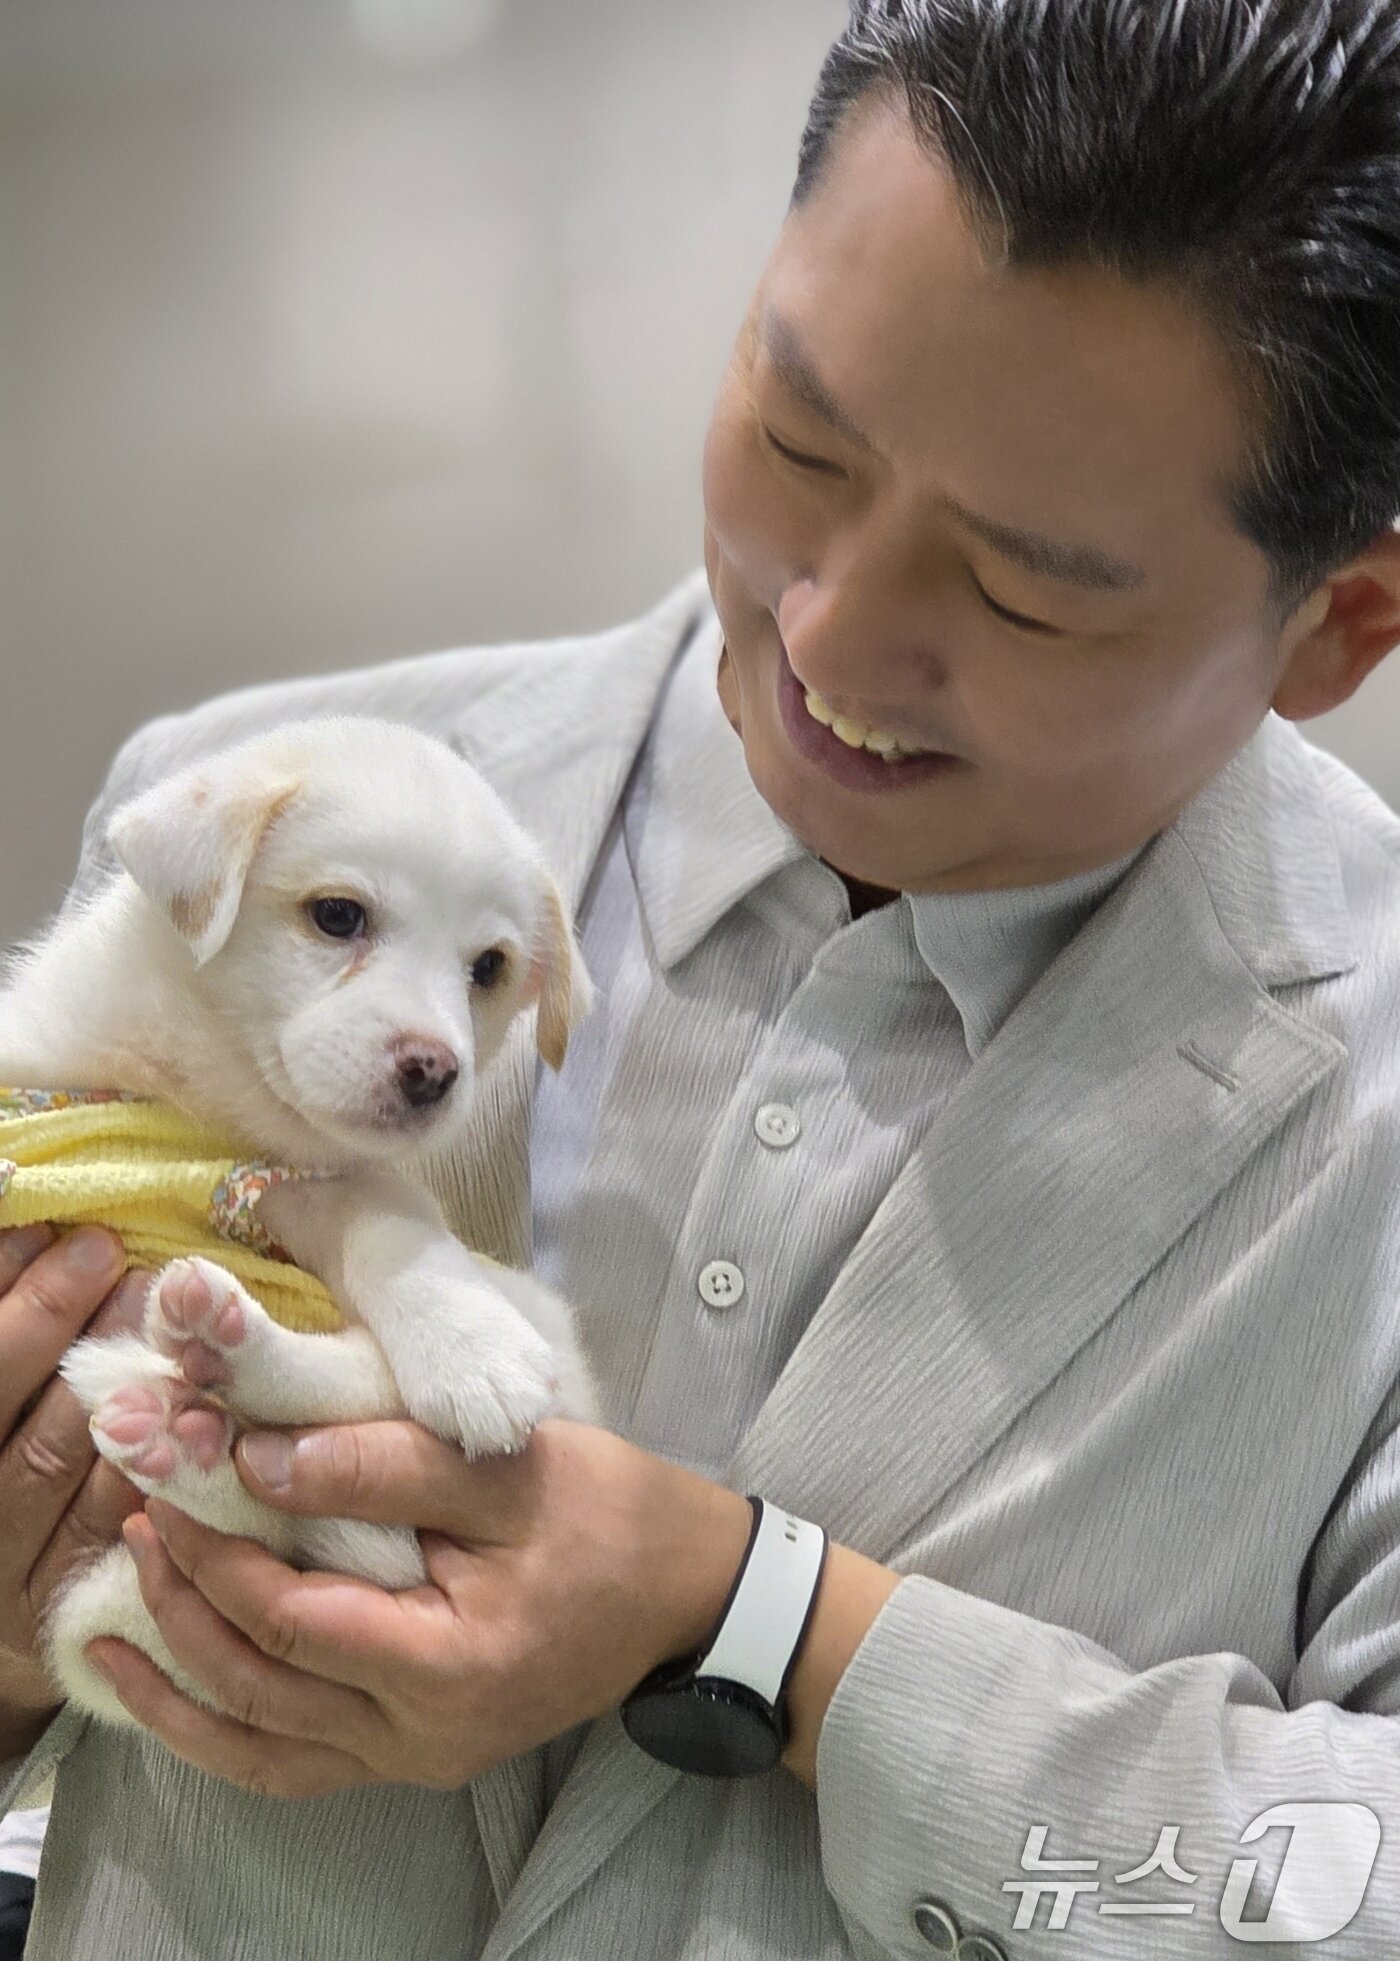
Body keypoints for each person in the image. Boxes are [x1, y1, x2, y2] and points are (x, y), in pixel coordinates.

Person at [5, 0, 1400, 1953]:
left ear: (1338, 621)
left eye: (1019, 588)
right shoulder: (240, 813)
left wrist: (770, 1626)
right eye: (797, 433)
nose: (830, 632)